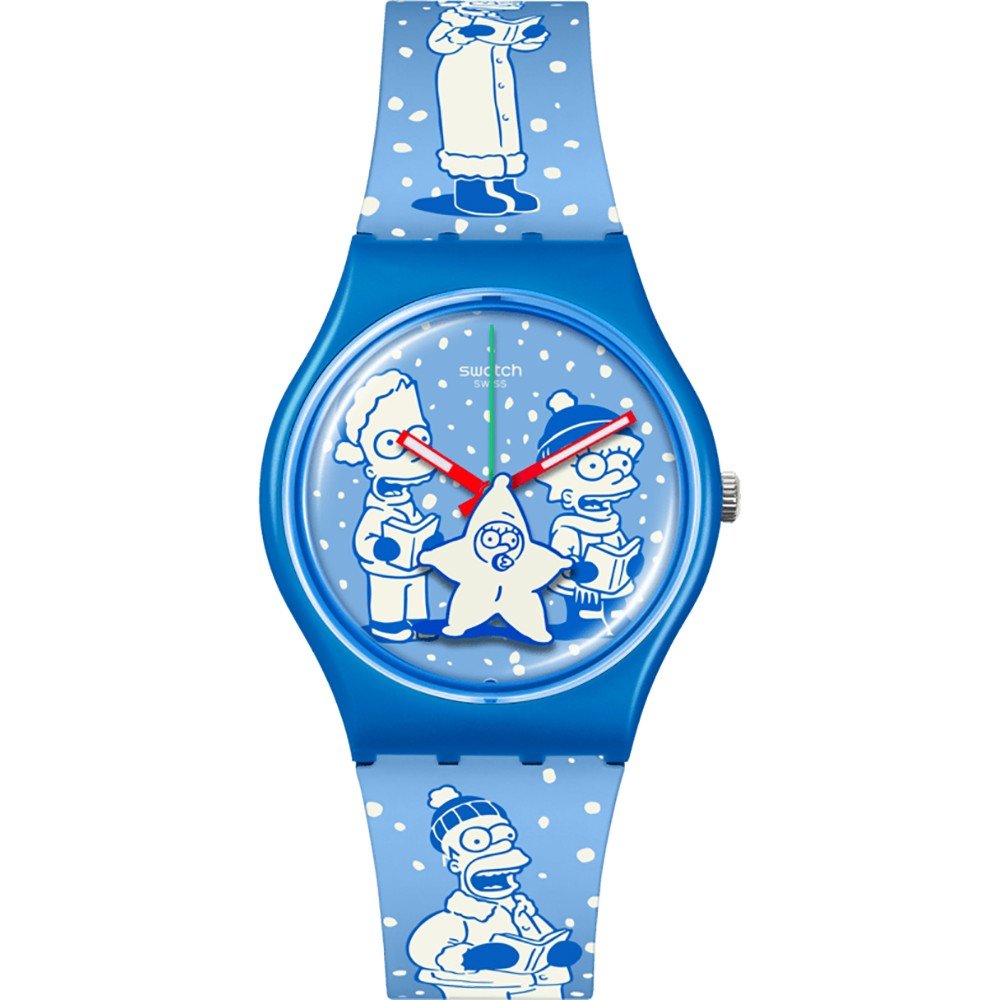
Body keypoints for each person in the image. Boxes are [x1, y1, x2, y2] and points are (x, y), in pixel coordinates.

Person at [407, 785, 581, 997]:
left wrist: (552, 951)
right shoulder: (459, 917)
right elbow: (422, 948)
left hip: (542, 988)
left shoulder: (521, 910)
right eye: (477, 841)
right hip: (482, 989)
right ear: (454, 863)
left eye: (506, 836)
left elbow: (541, 936)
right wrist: (465, 958)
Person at [333, 370, 441, 642]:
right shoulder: (376, 508)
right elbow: (364, 538)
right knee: (388, 599)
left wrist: (430, 541)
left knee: (416, 595)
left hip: (415, 569)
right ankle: (387, 626)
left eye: (420, 439)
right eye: (391, 443)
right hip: (386, 570)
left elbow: (415, 523)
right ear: (368, 463)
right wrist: (378, 547)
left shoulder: (406, 501)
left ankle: (419, 623)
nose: (414, 451)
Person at [536, 390, 645, 632]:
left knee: (619, 618)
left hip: (616, 595)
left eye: (623, 463)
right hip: (581, 599)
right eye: (593, 466)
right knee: (585, 620)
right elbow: (558, 567)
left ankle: (614, 624)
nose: (615, 475)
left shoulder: (611, 522)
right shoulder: (568, 529)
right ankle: (579, 626)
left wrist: (632, 564)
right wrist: (579, 579)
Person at [428, 1, 549, 216]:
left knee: (503, 135)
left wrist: (531, 35)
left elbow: (514, 42)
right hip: (466, 85)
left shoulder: (497, 21)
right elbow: (438, 43)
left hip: (498, 84)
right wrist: (464, 34)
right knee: (473, 136)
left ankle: (505, 187)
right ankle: (470, 192)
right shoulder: (453, 20)